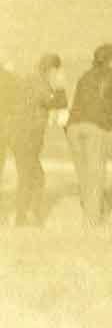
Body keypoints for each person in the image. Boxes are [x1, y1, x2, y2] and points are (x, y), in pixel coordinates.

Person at [66, 44, 112, 225]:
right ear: (111, 60)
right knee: (96, 174)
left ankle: (88, 214)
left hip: (73, 127)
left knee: (84, 175)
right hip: (96, 126)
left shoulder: (84, 76)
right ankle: (93, 221)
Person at [9, 54, 66, 226]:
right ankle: (26, 217)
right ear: (52, 70)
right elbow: (56, 102)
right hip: (28, 136)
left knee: (29, 176)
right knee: (33, 177)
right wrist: (61, 88)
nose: (58, 74)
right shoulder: (40, 84)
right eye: (58, 71)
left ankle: (25, 215)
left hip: (19, 135)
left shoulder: (30, 81)